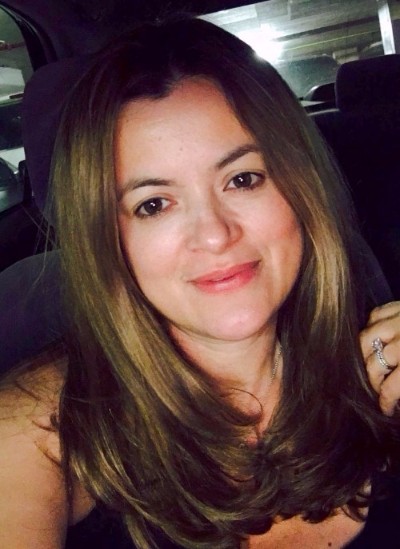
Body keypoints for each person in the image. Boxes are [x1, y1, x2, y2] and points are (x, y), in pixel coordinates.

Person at [0, 16, 400, 549]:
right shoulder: (38, 430)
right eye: (153, 205)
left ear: (301, 189)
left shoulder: (383, 357)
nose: (214, 235)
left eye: (243, 179)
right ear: (107, 241)